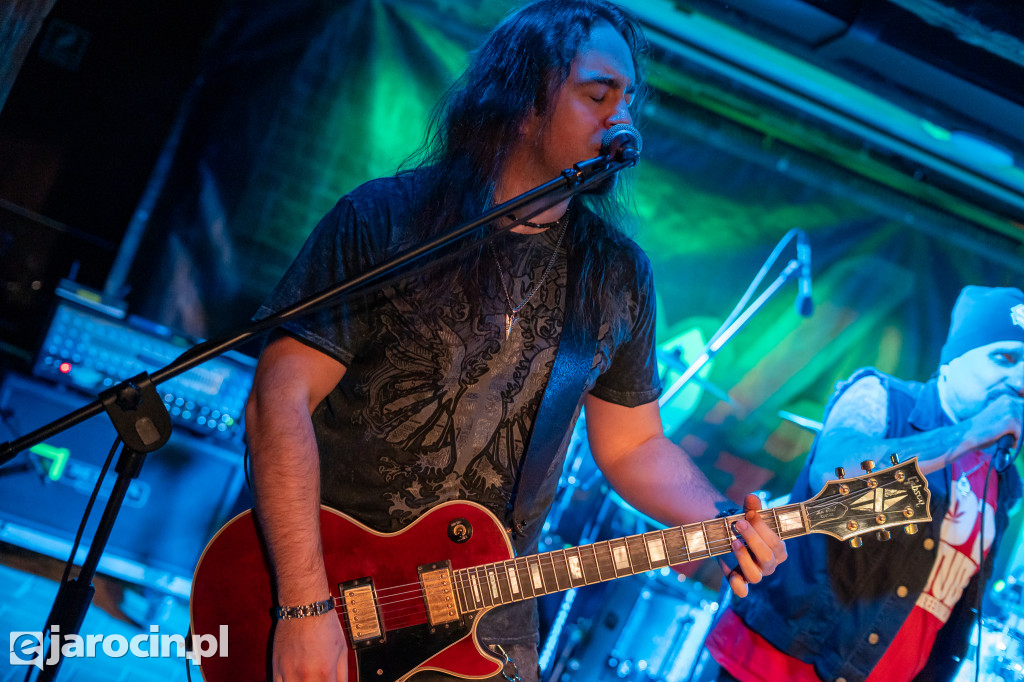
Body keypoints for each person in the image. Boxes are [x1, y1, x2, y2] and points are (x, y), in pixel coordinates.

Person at [244, 2, 787, 680]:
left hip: (487, 631)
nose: (622, 118)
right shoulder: (385, 220)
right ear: (523, 103)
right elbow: (279, 400)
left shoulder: (614, 275)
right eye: (598, 94)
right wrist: (303, 604)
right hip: (329, 598)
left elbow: (634, 445)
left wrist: (725, 520)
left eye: (629, 99)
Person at [705, 285, 1024, 682]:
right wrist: (970, 433)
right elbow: (833, 471)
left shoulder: (1003, 479)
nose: (1018, 379)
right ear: (952, 360)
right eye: (1004, 357)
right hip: (776, 667)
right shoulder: (882, 397)